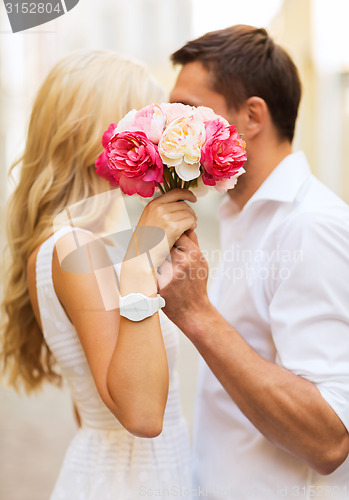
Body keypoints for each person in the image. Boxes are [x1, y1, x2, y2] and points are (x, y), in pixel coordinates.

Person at [159, 25, 349, 499]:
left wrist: (196, 314)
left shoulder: (310, 226)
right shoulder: (240, 216)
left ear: (251, 116)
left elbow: (330, 439)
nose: (170, 132)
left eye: (188, 113)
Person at [0, 50, 197, 499]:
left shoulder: (76, 241)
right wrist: (141, 266)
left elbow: (88, 403)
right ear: (99, 137)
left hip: (119, 471)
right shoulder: (76, 247)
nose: (163, 147)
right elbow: (145, 415)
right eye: (149, 131)